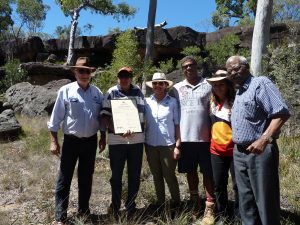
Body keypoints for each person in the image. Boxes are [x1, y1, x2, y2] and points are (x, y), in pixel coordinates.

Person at [226, 55, 290, 225]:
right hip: (239, 152)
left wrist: (264, 139)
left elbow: (281, 113)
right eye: (230, 70)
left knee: (265, 201)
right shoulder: (239, 91)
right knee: (246, 201)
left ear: (246, 67)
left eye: (237, 68)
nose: (233, 72)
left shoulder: (260, 83)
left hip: (259, 152)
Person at [48, 57, 106, 225]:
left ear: (91, 73)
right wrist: (54, 141)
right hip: (71, 142)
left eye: (88, 71)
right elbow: (55, 118)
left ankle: (84, 211)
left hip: (90, 142)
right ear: (75, 72)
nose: (84, 74)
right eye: (81, 71)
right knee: (64, 179)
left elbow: (101, 118)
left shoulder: (97, 93)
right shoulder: (65, 91)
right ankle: (60, 217)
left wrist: (103, 137)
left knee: (86, 178)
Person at [170, 56, 215, 225]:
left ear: (197, 66)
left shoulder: (208, 85)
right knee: (190, 172)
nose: (188, 68)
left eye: (191, 65)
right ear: (182, 70)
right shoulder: (176, 88)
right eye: (185, 67)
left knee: (208, 173)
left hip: (206, 139)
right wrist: (176, 141)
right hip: (186, 139)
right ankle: (195, 202)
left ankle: (210, 206)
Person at [100, 67, 145, 218]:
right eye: (121, 76)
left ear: (131, 77)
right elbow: (104, 116)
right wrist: (116, 129)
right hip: (116, 140)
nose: (124, 79)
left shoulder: (138, 91)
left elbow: (142, 113)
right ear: (118, 77)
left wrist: (135, 127)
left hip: (136, 140)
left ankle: (131, 206)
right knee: (116, 175)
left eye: (127, 76)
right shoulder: (111, 92)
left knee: (134, 175)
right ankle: (115, 206)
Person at [206, 70, 239, 222]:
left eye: (221, 84)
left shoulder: (236, 101)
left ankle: (239, 216)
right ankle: (223, 216)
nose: (218, 87)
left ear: (227, 85)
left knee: (238, 186)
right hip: (216, 151)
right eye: (215, 85)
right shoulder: (211, 103)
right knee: (219, 185)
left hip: (235, 151)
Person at [144, 72, 181, 208]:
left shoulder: (172, 102)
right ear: (152, 86)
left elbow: (177, 124)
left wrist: (178, 145)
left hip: (168, 145)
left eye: (161, 83)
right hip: (150, 145)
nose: (158, 86)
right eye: (155, 83)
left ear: (166, 85)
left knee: (169, 175)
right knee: (156, 176)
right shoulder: (147, 102)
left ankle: (176, 204)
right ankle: (161, 205)